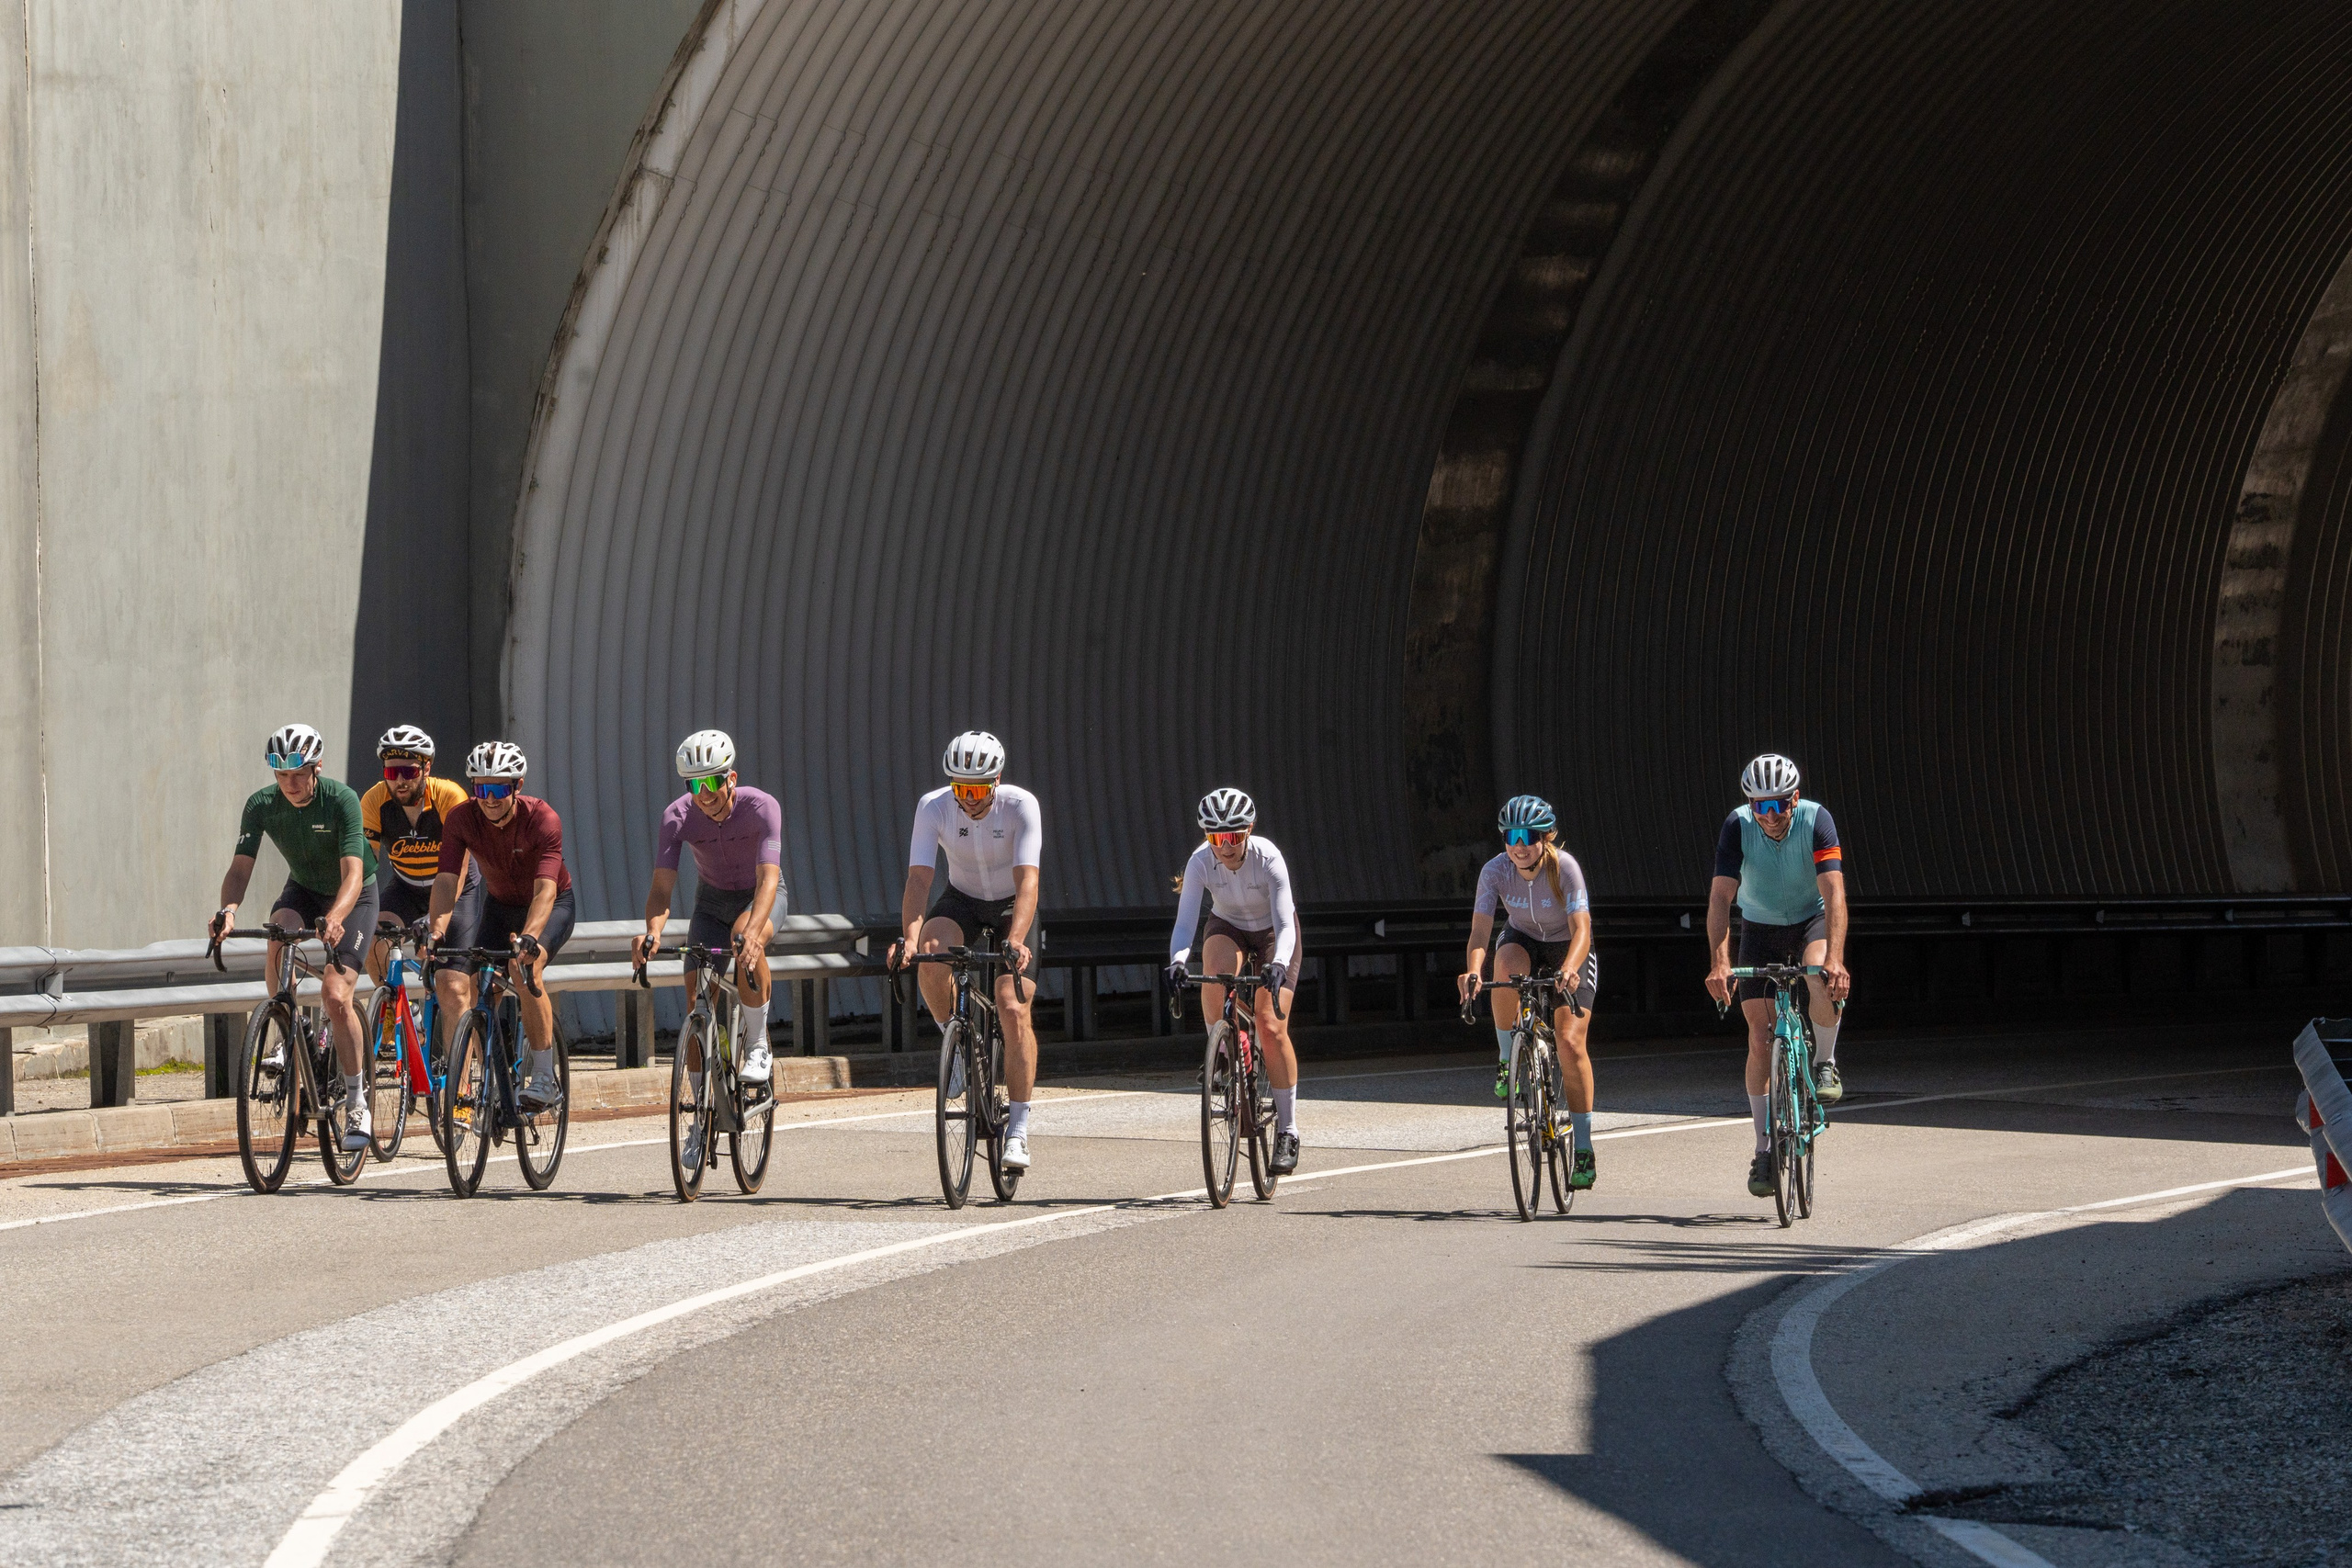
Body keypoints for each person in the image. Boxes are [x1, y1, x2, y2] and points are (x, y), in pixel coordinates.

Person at [207, 723, 379, 1150]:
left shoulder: (341, 800)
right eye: (282, 775)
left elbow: (353, 874)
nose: (290, 784)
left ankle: (357, 1101)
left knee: (335, 996)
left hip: (353, 896)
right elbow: (240, 868)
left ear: (316, 767)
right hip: (303, 888)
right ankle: (289, 1026)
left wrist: (336, 917)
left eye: (298, 774)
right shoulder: (261, 804)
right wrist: (228, 911)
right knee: (278, 931)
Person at [888, 730, 1043, 1170]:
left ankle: (1018, 1129)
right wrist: (909, 940)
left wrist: (1016, 938)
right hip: (963, 900)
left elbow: (1028, 880)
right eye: (960, 789)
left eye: (976, 790)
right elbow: (920, 879)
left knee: (1012, 1006)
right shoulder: (933, 807)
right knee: (931, 955)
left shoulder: (1021, 805)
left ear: (996, 781)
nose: (967, 799)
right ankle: (956, 1043)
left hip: (1012, 905)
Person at [634, 729, 786, 1168]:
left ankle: (757, 1043)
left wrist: (754, 933)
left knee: (744, 943)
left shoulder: (762, 807)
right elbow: (661, 890)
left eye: (712, 782)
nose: (704, 794)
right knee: (696, 1002)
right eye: (694, 784)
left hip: (760, 897)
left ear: (730, 779)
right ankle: (701, 1118)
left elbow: (769, 879)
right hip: (711, 904)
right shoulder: (677, 817)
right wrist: (652, 932)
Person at [1703, 751, 1850, 1200]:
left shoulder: (1817, 820)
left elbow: (1834, 891)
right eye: (1760, 806)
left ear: (1795, 799)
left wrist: (1836, 959)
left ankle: (1825, 1062)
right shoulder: (1737, 826)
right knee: (1759, 1037)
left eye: (1778, 804)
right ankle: (1764, 1149)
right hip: (1760, 927)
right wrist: (1719, 962)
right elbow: (1720, 899)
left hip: (1810, 919)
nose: (1769, 816)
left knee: (1817, 974)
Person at [1458, 794, 1599, 1190]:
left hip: (1567, 946)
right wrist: (1473, 971)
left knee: (1570, 1043)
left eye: (1528, 836)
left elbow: (1582, 929)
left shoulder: (1564, 868)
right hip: (1521, 939)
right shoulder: (1495, 871)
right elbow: (1480, 932)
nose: (1519, 846)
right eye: (1511, 836)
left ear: (1546, 836)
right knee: (1503, 967)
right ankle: (1508, 1058)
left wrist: (1569, 968)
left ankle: (1584, 1147)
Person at [427, 740, 575, 1113]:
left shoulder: (543, 819)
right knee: (478, 986)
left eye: (498, 789)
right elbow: (446, 880)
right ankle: (495, 1075)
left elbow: (545, 889)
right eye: (481, 789)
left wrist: (530, 937)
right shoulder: (461, 818)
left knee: (523, 968)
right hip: (500, 906)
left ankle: (544, 1077)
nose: (489, 799)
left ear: (517, 786)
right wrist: (436, 929)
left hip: (550, 905)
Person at [1165, 789, 1304, 1175]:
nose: (1224, 846)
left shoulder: (1268, 857)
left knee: (1270, 1025)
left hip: (1274, 933)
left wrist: (1279, 963)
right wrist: (1177, 962)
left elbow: (1284, 923)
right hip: (1228, 926)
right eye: (1215, 837)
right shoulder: (1200, 862)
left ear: (1249, 830)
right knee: (1213, 977)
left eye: (1232, 836)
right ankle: (1226, 1049)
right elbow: (1185, 924)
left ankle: (1289, 1130)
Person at [360, 725, 480, 1094]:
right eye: (391, 771)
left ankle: (461, 1092)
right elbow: (363, 867)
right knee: (373, 939)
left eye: (408, 771)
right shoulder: (374, 801)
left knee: (451, 986)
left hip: (455, 887)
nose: (399, 780)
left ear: (426, 768)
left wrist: (437, 919)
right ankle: (402, 1011)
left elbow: (458, 869)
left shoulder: (449, 796)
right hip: (406, 888)